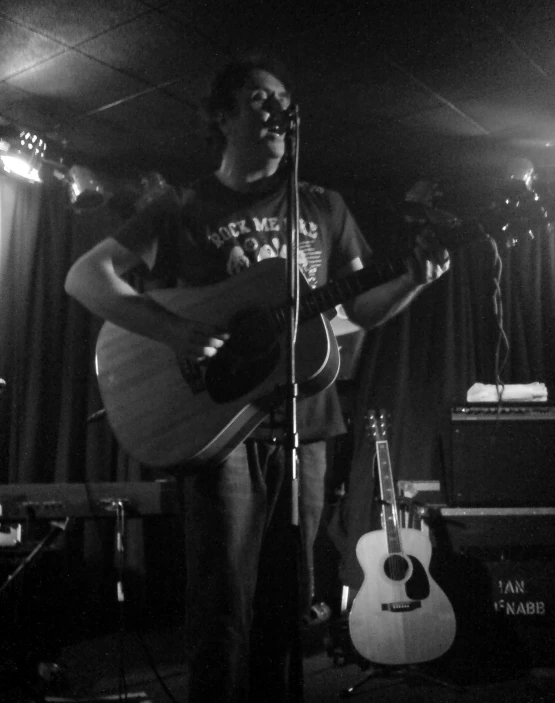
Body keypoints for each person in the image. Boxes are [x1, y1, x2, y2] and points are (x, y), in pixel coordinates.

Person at [64, 54, 450, 703]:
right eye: (259, 97)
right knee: (222, 604)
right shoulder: (179, 207)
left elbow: (356, 309)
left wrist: (412, 279)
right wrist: (173, 329)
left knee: (285, 606)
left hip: (306, 419)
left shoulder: (324, 206)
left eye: (285, 100)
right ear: (220, 115)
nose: (278, 109)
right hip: (217, 422)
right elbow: (85, 276)